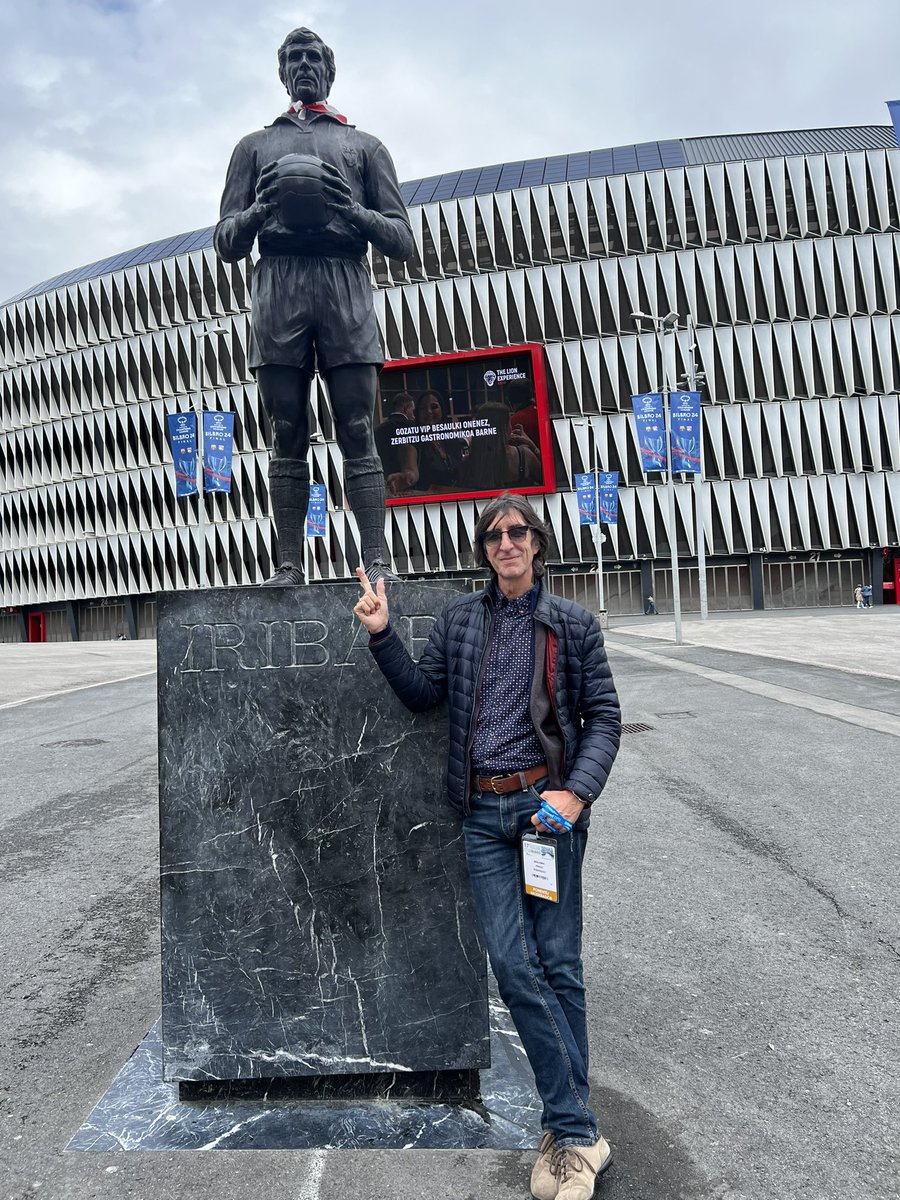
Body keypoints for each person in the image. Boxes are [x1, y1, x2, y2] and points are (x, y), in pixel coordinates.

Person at [353, 493, 621, 1200]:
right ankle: (578, 1131)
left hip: (546, 814)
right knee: (513, 963)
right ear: (485, 550)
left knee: (558, 964)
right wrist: (383, 636)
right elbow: (423, 696)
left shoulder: (572, 624)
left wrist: (576, 793)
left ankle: (564, 1132)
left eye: (518, 532)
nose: (506, 542)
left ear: (537, 544)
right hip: (481, 816)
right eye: (494, 535)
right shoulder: (459, 621)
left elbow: (605, 720)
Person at [214, 27, 413, 584]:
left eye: (313, 57)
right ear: (282, 73)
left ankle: (377, 560)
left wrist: (349, 208)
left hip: (344, 280)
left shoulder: (364, 146)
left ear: (329, 70)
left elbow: (401, 240)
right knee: (286, 425)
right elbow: (228, 241)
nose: (304, 65)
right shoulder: (253, 147)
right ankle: (287, 565)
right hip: (278, 282)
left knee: (356, 422)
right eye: (293, 58)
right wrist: (260, 209)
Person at [463, 402, 541, 490]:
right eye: (510, 423)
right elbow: (546, 478)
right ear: (505, 428)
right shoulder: (524, 455)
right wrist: (533, 446)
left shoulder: (468, 461)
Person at [374, 392, 415, 481]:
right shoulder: (412, 428)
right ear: (406, 409)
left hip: (385, 481)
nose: (414, 416)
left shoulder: (378, 430)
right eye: (413, 410)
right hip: (410, 482)